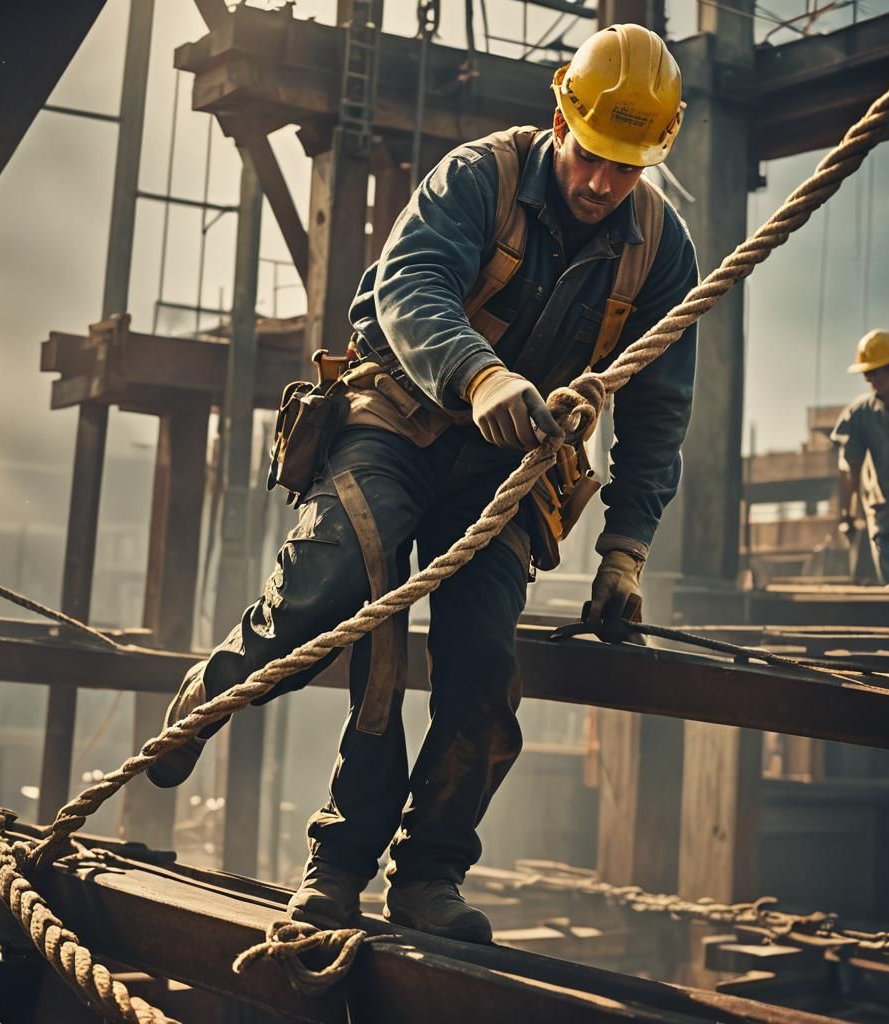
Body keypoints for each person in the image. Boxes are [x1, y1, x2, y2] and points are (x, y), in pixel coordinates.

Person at [146, 24, 698, 943]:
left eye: (627, 168)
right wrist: (478, 374)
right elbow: (410, 286)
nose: (604, 184)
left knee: (482, 672)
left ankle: (428, 879)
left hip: (505, 476)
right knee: (333, 598)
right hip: (397, 424)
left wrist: (627, 553)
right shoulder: (478, 178)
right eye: (594, 156)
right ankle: (236, 715)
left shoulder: (659, 248)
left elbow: (658, 406)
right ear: (561, 116)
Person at [831, 330, 889, 584]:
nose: (869, 380)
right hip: (887, 523)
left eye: (873, 372)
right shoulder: (861, 415)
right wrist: (847, 515)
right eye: (867, 374)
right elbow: (849, 469)